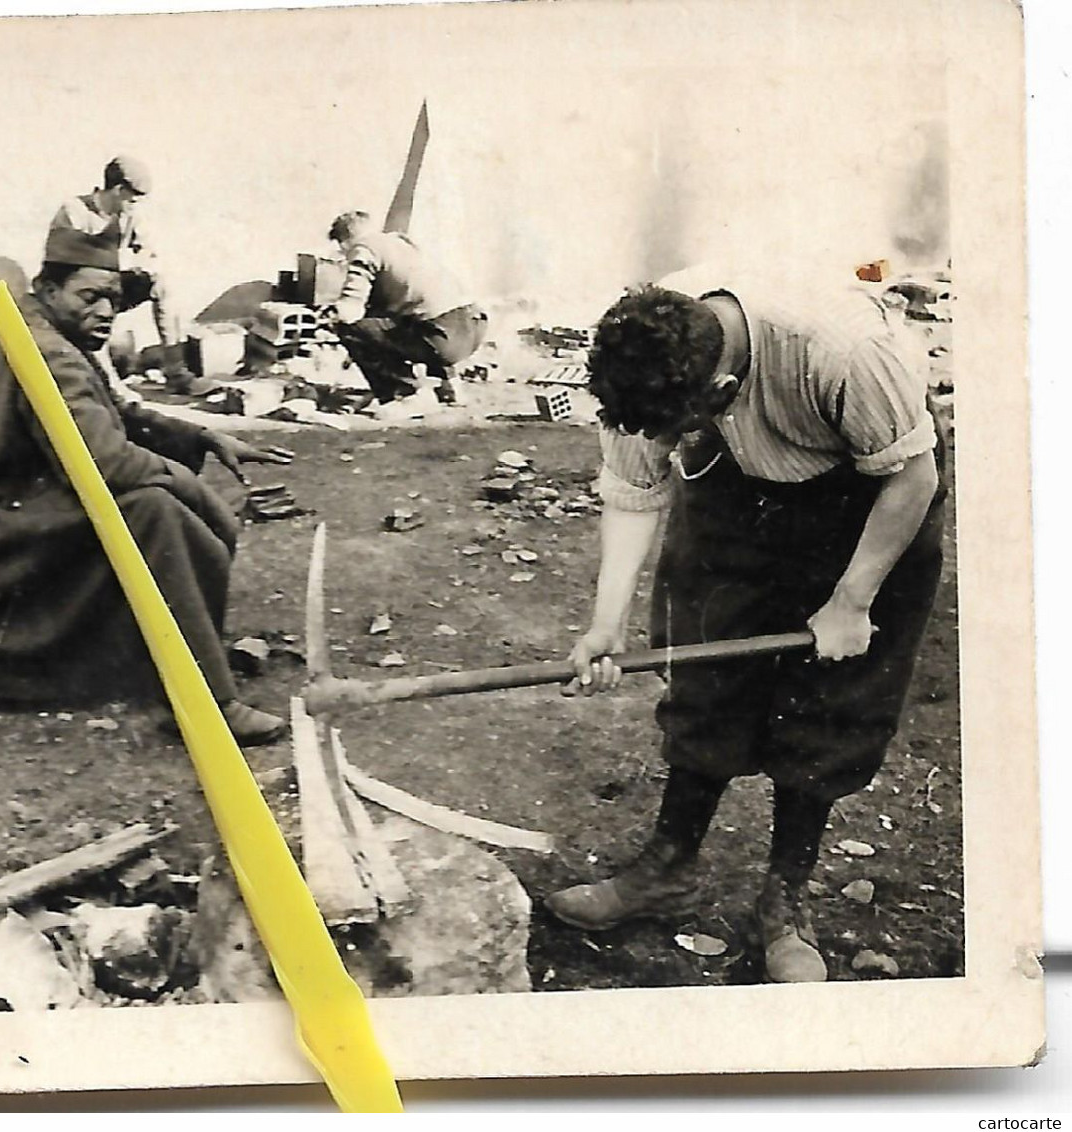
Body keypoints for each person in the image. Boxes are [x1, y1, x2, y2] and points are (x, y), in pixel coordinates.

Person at [548, 268, 945, 983]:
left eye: (675, 426)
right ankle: (667, 868)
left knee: (831, 703)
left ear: (722, 393)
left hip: (866, 496)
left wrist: (852, 601)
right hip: (735, 490)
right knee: (706, 673)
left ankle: (784, 903)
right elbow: (635, 493)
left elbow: (913, 479)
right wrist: (605, 625)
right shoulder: (654, 360)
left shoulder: (844, 352)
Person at [0, 226, 293, 745]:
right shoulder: (47, 351)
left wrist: (201, 435)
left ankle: (175, 659)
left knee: (164, 506)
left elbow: (115, 414)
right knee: (158, 512)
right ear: (48, 290)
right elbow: (105, 461)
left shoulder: (42, 334)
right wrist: (189, 484)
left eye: (113, 299)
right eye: (89, 296)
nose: (106, 311)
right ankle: (205, 703)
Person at [321, 210, 486, 419]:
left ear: (344, 242)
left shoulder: (363, 248)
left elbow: (350, 309)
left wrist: (330, 317)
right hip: (473, 325)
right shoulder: (403, 244)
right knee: (414, 317)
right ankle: (449, 386)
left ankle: (407, 396)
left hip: (443, 337)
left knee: (350, 328)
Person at [48, 154, 180, 358]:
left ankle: (177, 370)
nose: (136, 205)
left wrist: (144, 264)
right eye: (133, 200)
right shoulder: (74, 211)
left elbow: (149, 252)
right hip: (77, 295)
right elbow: (65, 265)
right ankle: (107, 379)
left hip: (109, 286)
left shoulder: (129, 216)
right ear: (118, 190)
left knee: (161, 285)